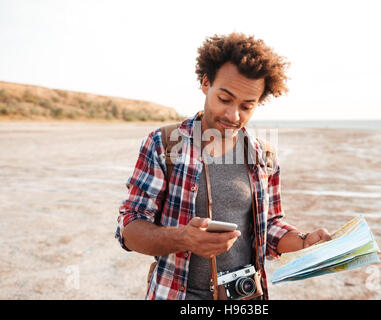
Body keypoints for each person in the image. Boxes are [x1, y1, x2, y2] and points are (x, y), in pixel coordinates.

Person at [115, 32, 332, 300]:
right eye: (225, 99)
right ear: (206, 83)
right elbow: (130, 229)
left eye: (246, 106)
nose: (233, 115)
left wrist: (304, 240)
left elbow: (270, 226)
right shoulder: (164, 144)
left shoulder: (264, 156)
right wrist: (185, 238)